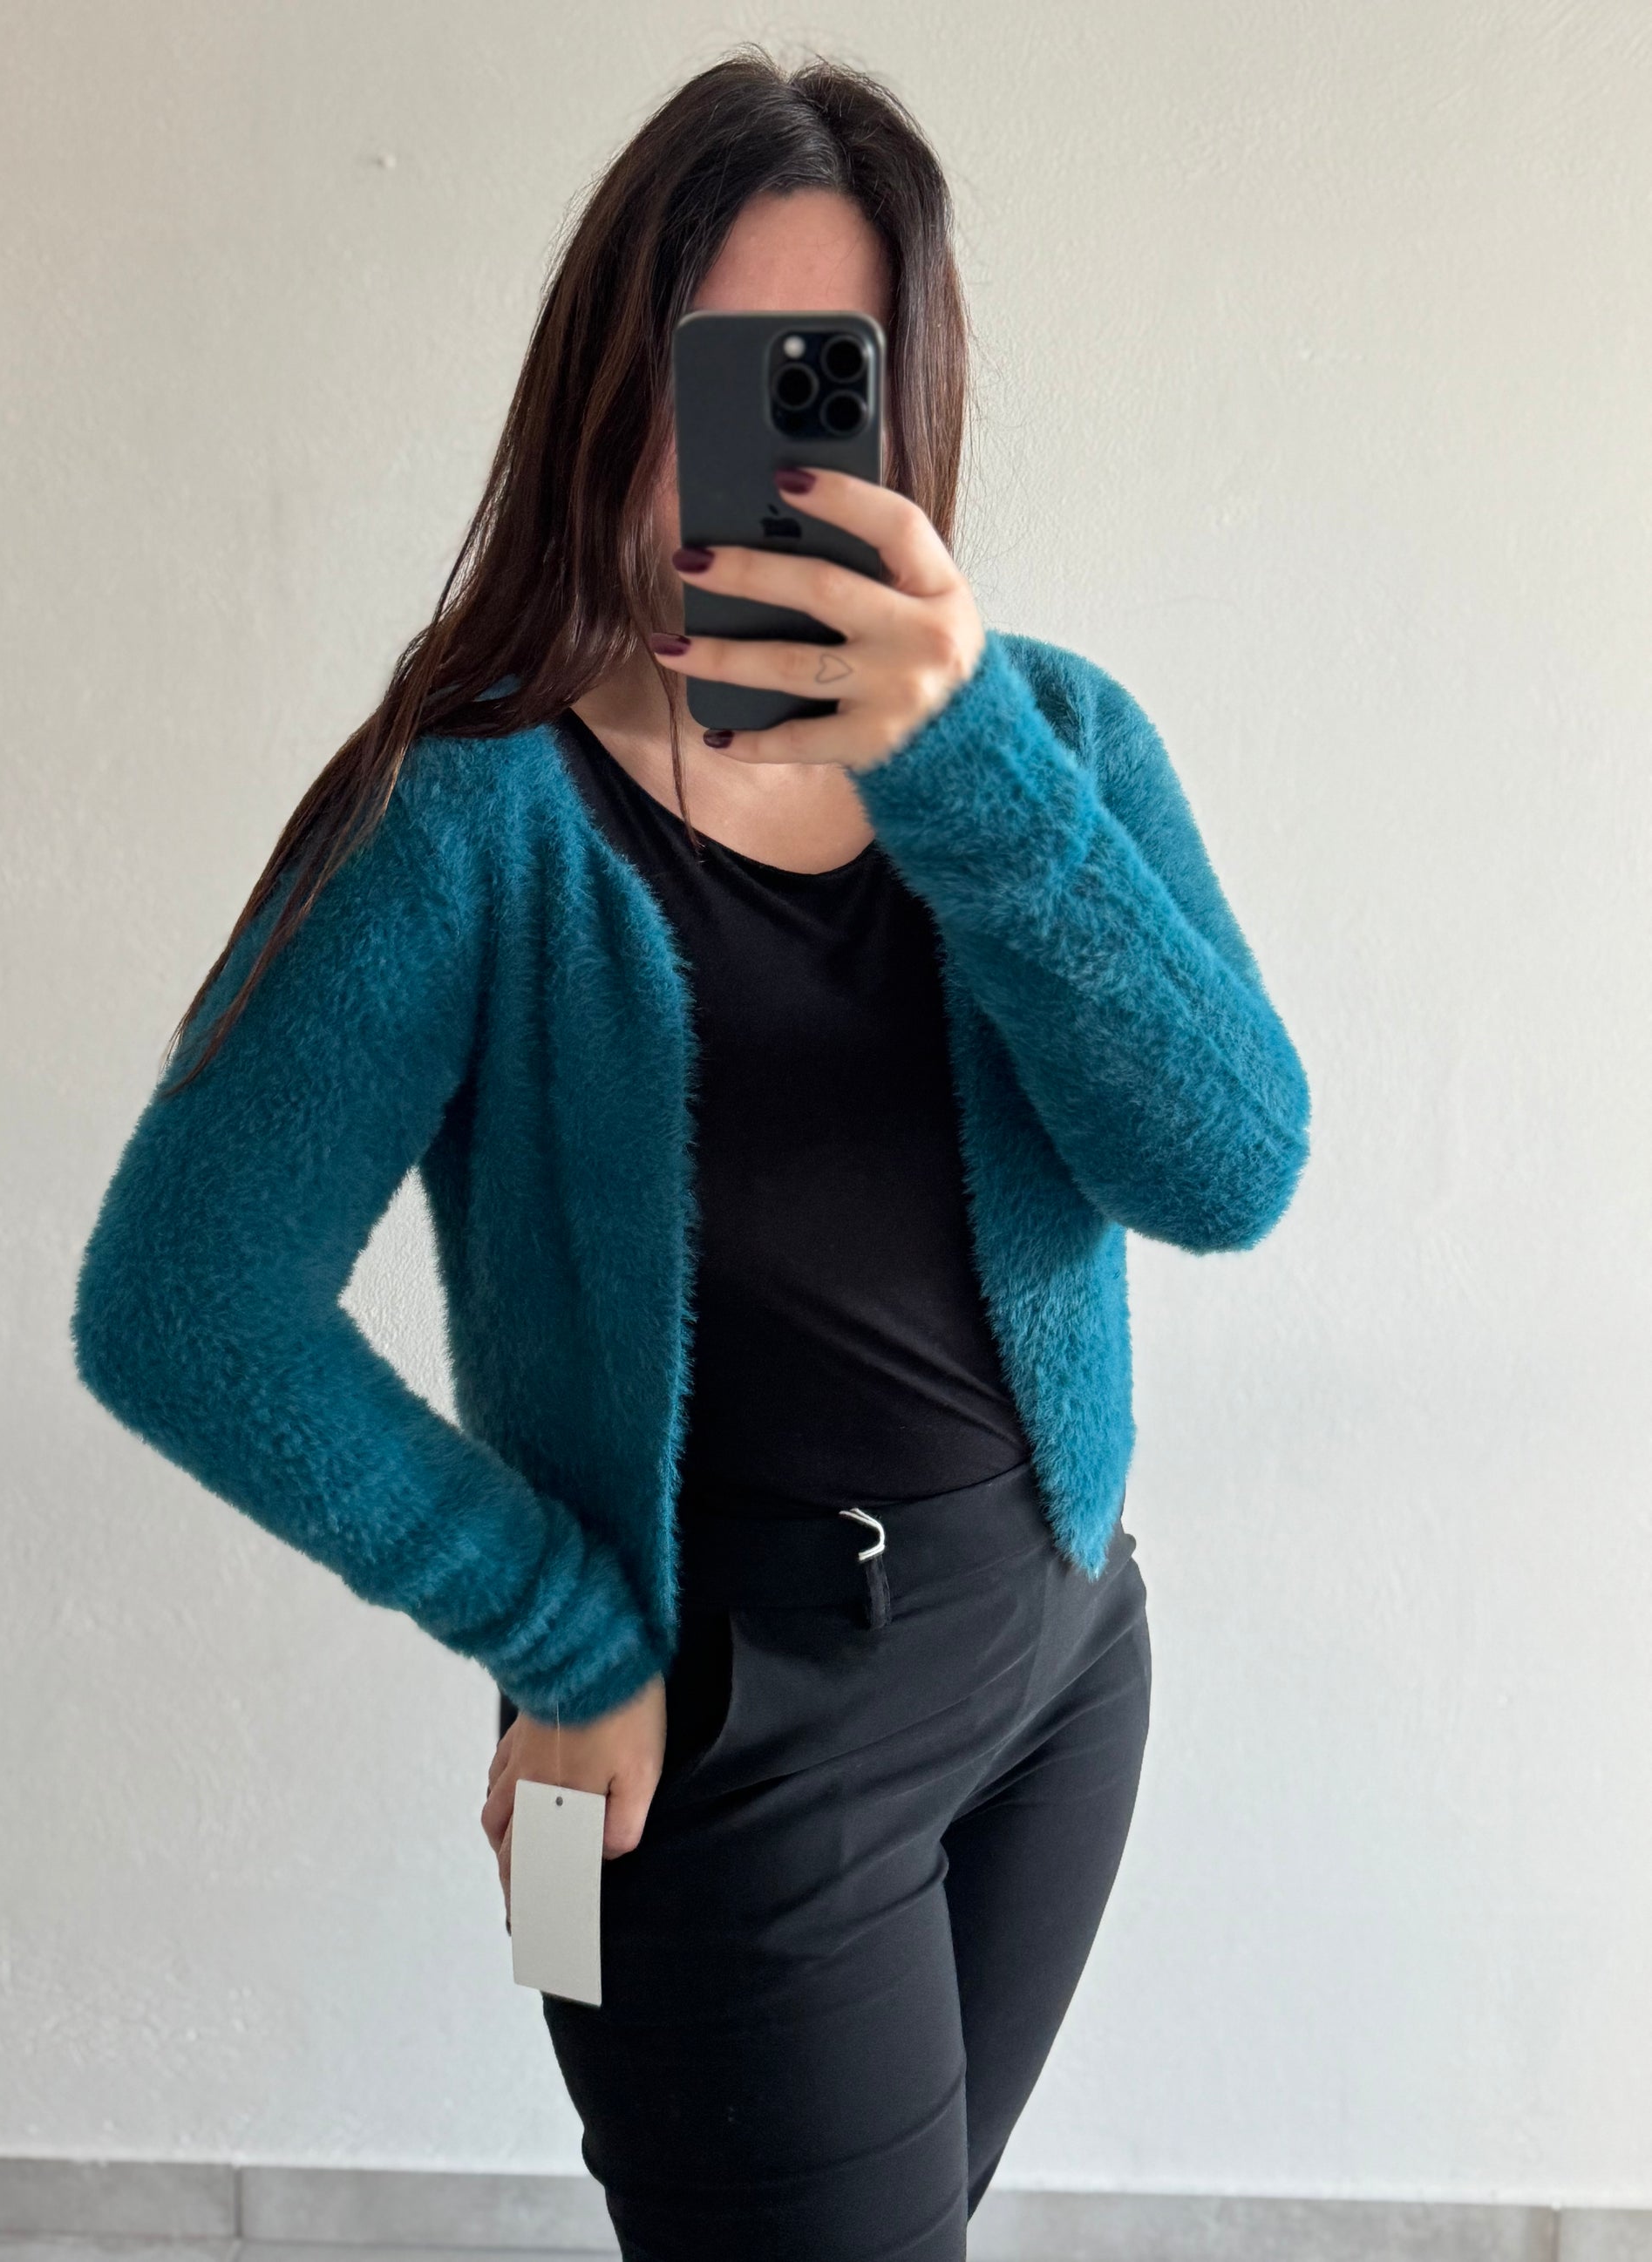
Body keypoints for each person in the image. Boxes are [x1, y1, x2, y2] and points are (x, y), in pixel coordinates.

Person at [70, 47, 1310, 2262]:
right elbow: (183, 1300)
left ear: (906, 403)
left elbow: (1225, 1164)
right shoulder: (471, 813)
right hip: (728, 1741)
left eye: (823, 376)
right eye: (707, 371)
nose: (753, 448)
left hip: (1057, 1673)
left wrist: (960, 770)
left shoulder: (1051, 740)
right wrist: (555, 1626)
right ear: (603, 385)